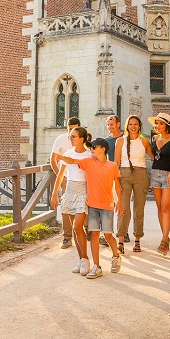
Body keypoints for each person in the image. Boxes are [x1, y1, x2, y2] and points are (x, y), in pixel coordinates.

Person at [55, 138, 122, 279]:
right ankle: (97, 266)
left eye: (94, 147)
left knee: (108, 235)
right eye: (90, 147)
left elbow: (117, 186)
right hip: (92, 206)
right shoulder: (89, 163)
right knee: (94, 236)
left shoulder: (113, 166)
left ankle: (116, 256)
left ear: (103, 148)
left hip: (107, 206)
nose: (91, 149)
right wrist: (61, 157)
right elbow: (73, 161)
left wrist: (120, 203)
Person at [50, 127, 93, 275]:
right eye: (70, 136)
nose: (70, 139)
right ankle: (81, 259)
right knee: (75, 228)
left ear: (82, 139)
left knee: (78, 225)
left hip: (83, 191)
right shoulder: (68, 153)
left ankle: (86, 259)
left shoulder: (89, 154)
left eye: (73, 136)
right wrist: (54, 194)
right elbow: (60, 175)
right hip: (70, 190)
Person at [114, 115, 153, 253]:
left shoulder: (144, 141)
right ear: (127, 126)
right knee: (123, 208)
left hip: (140, 174)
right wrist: (115, 180)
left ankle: (137, 240)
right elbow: (116, 163)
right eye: (130, 124)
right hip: (124, 174)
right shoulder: (120, 141)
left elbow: (154, 157)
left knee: (139, 209)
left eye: (135, 124)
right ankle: (121, 241)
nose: (133, 126)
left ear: (139, 126)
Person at [148, 112, 170, 256]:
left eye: (160, 123)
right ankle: (165, 237)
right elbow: (153, 156)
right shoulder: (154, 138)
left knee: (165, 207)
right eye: (156, 123)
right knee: (159, 207)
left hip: (169, 176)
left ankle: (163, 240)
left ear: (167, 126)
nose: (157, 126)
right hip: (155, 174)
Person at [50, 117, 81, 248]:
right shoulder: (61, 139)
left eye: (74, 128)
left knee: (83, 204)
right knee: (66, 207)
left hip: (81, 178)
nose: (72, 131)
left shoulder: (84, 138)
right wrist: (60, 176)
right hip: (66, 177)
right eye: (70, 129)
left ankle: (85, 233)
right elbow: (52, 159)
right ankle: (67, 237)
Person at [100, 115, 123, 247]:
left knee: (122, 204)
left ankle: (122, 232)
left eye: (112, 124)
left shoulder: (124, 139)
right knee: (108, 205)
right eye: (108, 125)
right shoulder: (105, 141)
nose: (109, 127)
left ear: (118, 124)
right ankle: (108, 233)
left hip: (122, 175)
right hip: (109, 176)